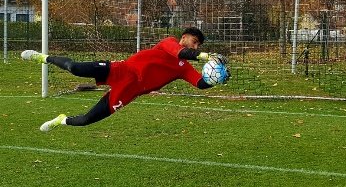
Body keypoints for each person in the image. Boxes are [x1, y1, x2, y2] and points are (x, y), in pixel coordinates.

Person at [21, 27, 229, 132]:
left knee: (86, 120)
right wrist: (205, 56)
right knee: (74, 67)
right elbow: (180, 52)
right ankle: (44, 57)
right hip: (121, 70)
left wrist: (216, 79)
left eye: (198, 46)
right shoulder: (170, 43)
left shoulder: (184, 69)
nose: (195, 47)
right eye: (194, 42)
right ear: (184, 37)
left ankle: (61, 120)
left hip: (130, 91)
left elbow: (200, 83)